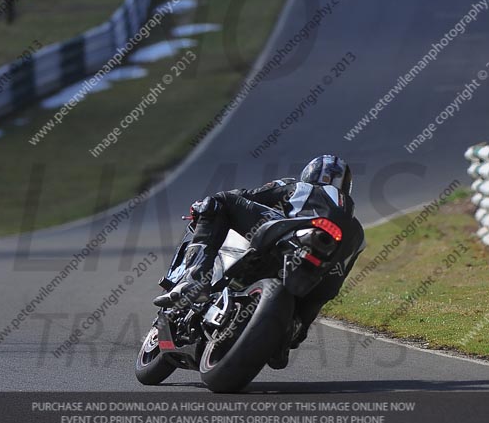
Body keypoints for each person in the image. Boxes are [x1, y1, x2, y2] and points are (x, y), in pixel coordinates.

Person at [154, 155, 366, 368]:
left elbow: (248, 196)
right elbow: (338, 278)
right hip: (322, 274)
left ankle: (196, 276)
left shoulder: (298, 186)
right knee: (317, 300)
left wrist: (202, 210)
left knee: (219, 202)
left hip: (289, 238)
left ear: (309, 174)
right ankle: (289, 335)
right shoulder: (358, 232)